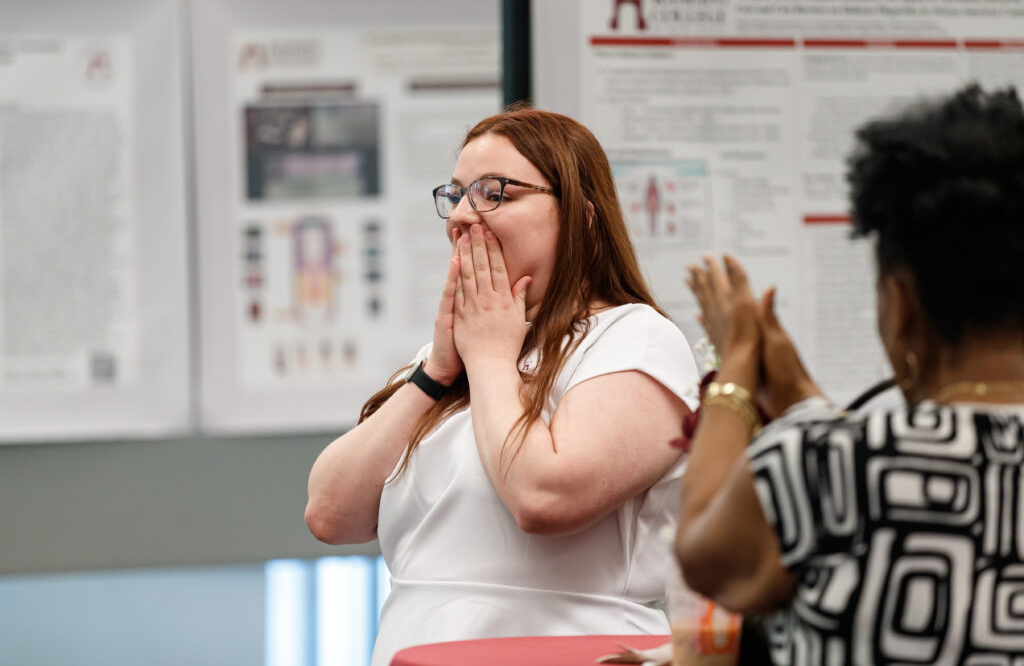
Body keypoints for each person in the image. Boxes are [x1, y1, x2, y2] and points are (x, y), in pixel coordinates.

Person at [305, 107, 700, 666]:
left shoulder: (635, 338)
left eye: (496, 193)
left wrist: (489, 356)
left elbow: (544, 497)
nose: (464, 216)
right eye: (458, 194)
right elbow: (329, 513)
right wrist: (434, 374)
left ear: (582, 217)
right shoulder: (452, 359)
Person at [675, 83, 1024, 664]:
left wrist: (736, 361)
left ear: (901, 303)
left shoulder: (823, 464)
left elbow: (703, 553)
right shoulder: (833, 455)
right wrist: (800, 396)